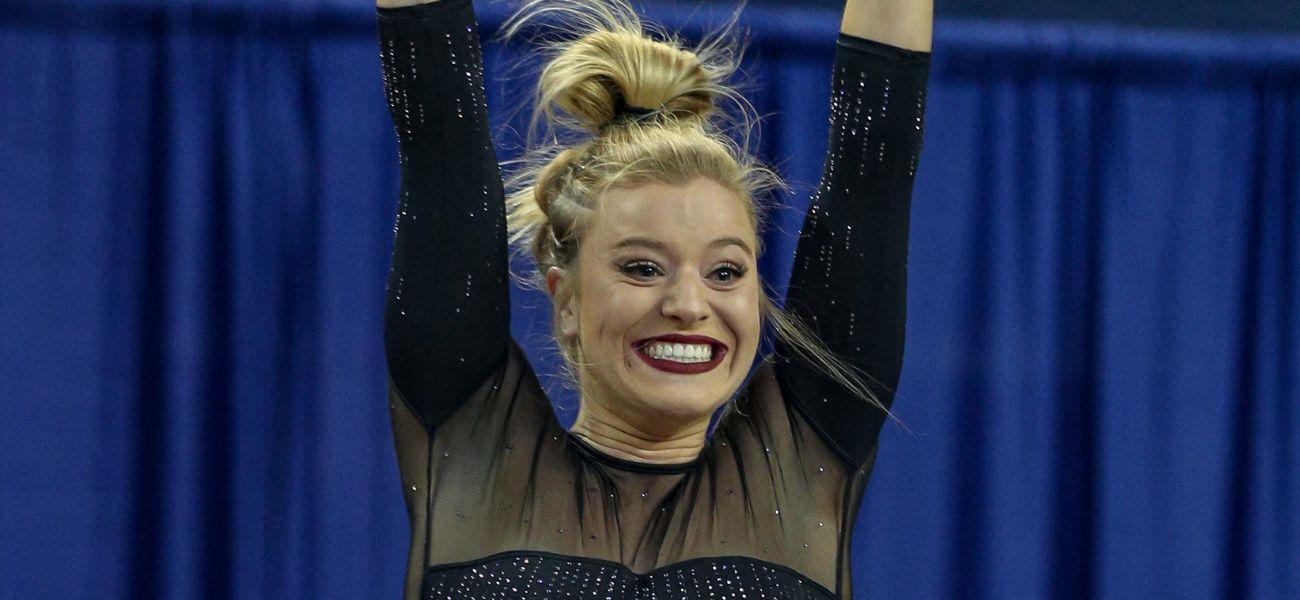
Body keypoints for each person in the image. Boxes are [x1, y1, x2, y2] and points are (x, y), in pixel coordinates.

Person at [375, 0, 931, 596]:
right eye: (643, 268)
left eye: (725, 272)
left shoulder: (803, 457)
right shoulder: (472, 440)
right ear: (565, 301)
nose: (689, 305)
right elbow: (440, 140)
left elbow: (871, 172)